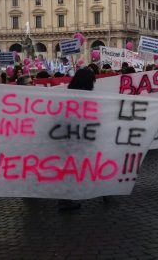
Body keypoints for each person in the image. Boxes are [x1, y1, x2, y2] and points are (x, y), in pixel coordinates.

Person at [57, 67, 97, 212]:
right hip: (73, 140)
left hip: (73, 139)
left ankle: (67, 198)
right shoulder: (79, 96)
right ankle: (65, 201)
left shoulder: (71, 93)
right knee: (69, 171)